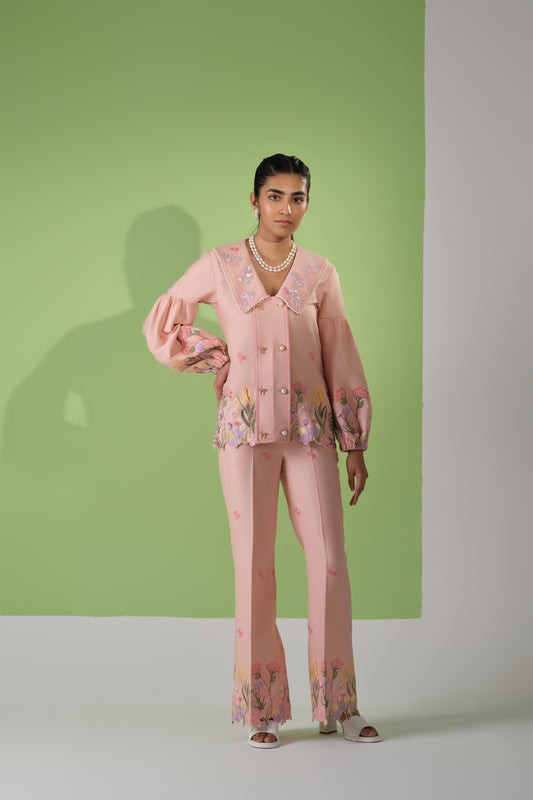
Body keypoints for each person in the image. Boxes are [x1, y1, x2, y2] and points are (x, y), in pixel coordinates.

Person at [142, 153, 383, 748]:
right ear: (255, 201)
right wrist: (216, 357)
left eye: (298, 197)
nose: (286, 208)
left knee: (330, 561)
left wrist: (354, 442)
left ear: (307, 203)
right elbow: (162, 323)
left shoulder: (320, 272)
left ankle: (339, 705)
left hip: (311, 432)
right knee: (253, 565)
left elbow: (340, 352)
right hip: (244, 433)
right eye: (275, 196)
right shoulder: (219, 264)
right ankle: (263, 710)